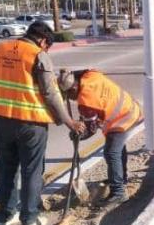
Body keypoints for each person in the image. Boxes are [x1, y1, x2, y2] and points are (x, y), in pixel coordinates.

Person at [0, 21, 80, 225]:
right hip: (31, 124)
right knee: (32, 171)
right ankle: (29, 219)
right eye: (47, 46)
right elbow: (50, 94)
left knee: (6, 168)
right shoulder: (38, 55)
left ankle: (6, 216)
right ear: (44, 41)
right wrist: (69, 121)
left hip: (0, 121)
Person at [57, 68, 142, 203]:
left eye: (68, 96)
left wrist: (79, 135)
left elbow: (91, 128)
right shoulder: (90, 76)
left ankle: (118, 191)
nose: (70, 99)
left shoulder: (86, 101)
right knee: (118, 149)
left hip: (124, 117)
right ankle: (120, 178)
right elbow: (89, 70)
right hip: (130, 107)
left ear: (73, 89)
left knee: (111, 152)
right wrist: (71, 74)